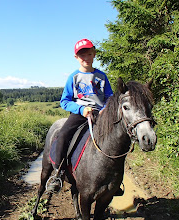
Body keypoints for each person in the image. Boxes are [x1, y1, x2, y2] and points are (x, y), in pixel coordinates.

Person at [46, 38, 124, 196]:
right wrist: (81, 109)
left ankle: (114, 179)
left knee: (115, 140)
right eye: (82, 56)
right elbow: (65, 101)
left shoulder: (101, 76)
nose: (86, 58)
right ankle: (58, 173)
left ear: (94, 54)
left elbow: (109, 97)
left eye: (89, 54)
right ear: (76, 58)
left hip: (101, 114)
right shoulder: (73, 77)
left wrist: (105, 109)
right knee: (63, 135)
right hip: (79, 114)